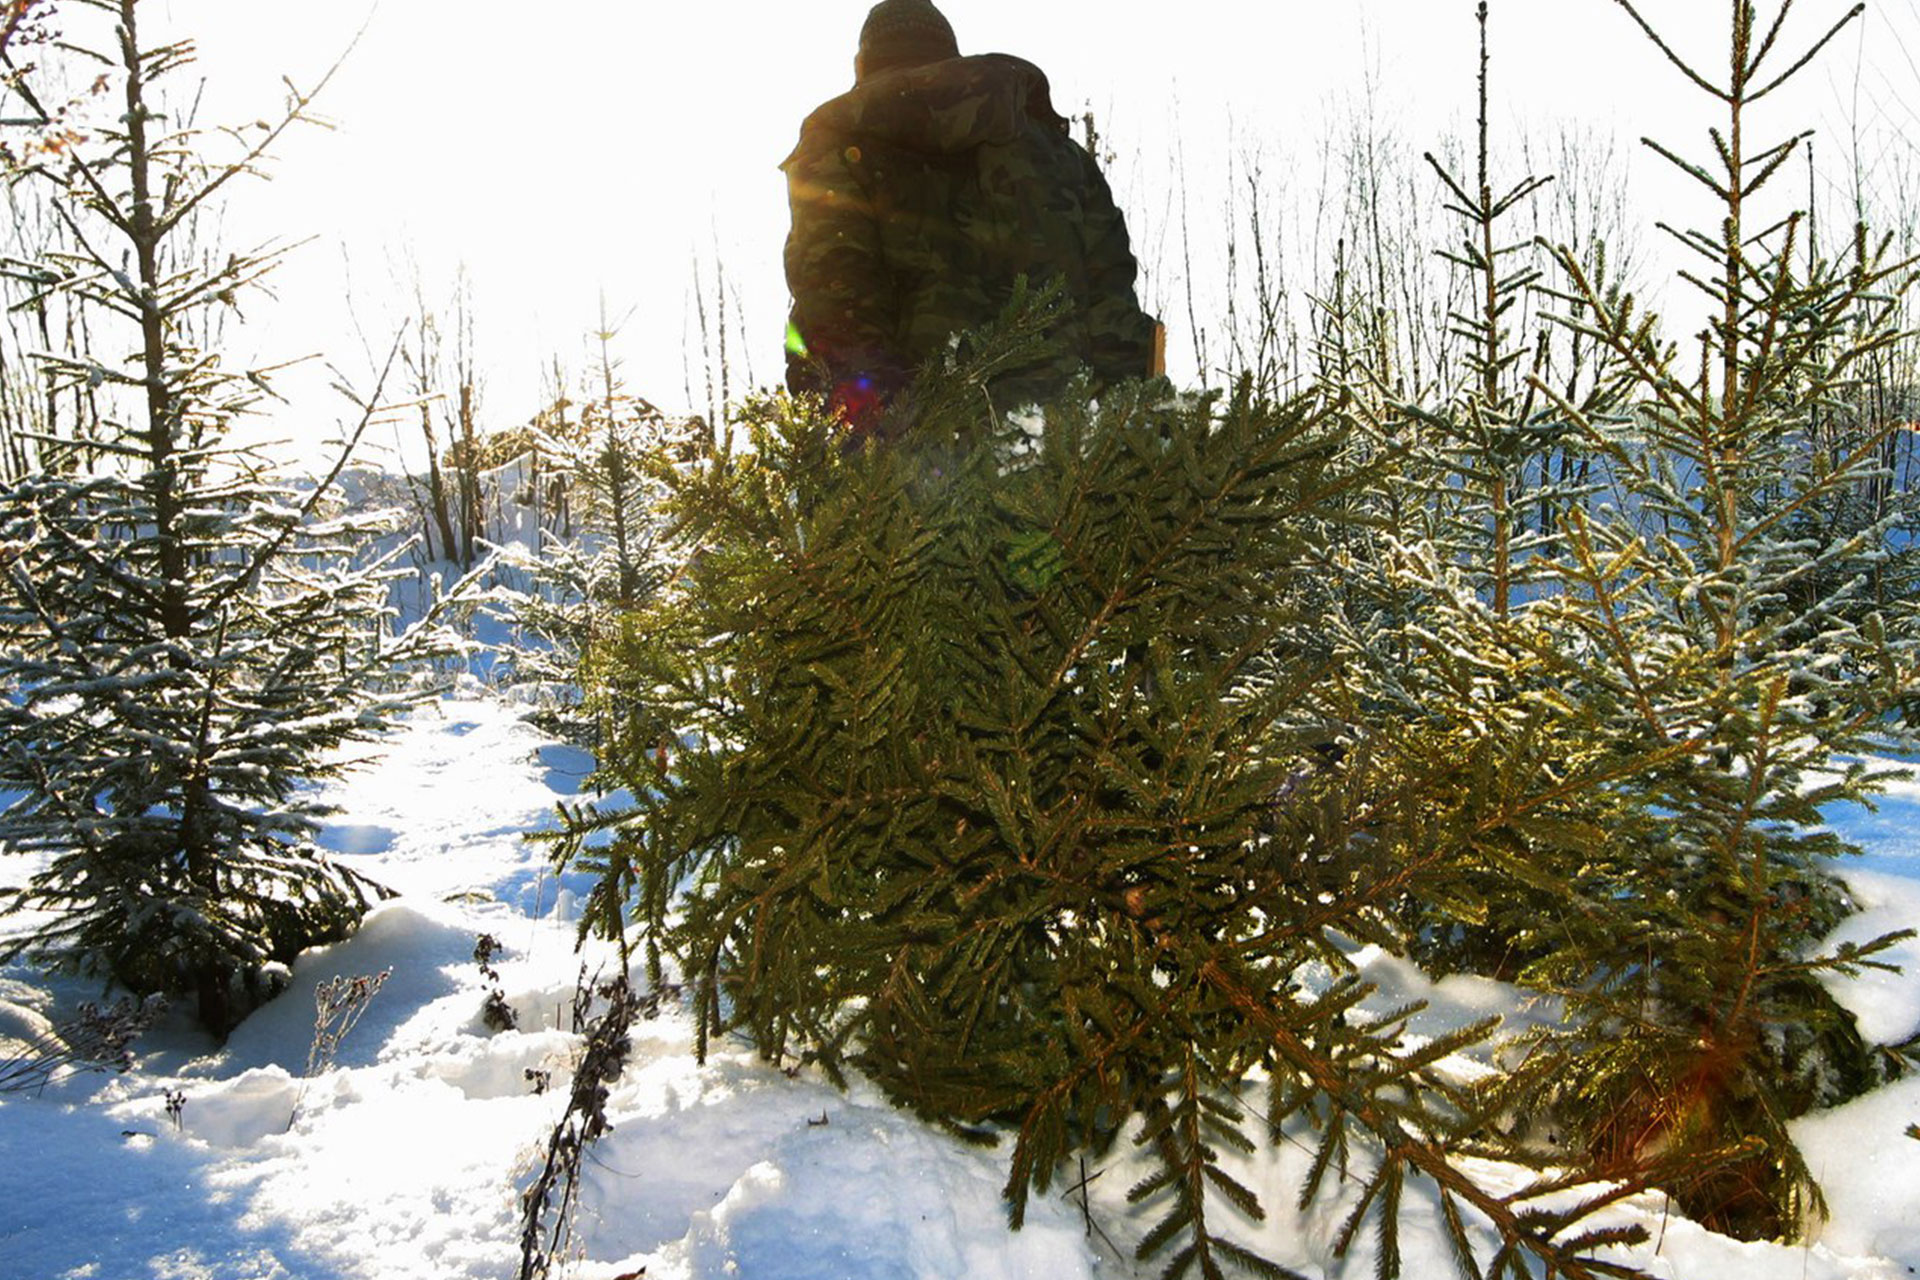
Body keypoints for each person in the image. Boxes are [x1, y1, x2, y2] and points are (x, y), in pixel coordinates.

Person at [781, 0, 1162, 432]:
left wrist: (873, 452)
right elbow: (1117, 323)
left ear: (861, 64)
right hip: (1066, 456)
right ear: (949, 56)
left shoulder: (837, 152)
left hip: (918, 471)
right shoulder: (1061, 159)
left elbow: (836, 310)